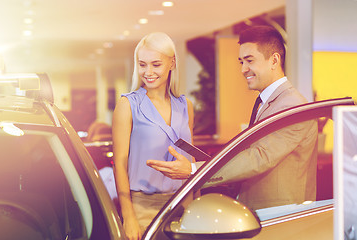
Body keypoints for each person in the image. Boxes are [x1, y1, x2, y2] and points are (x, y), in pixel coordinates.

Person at [147, 25, 318, 210]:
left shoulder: (292, 104)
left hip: (281, 215)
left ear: (274, 60)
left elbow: (259, 157)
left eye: (249, 60)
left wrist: (194, 170)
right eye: (241, 62)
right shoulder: (268, 102)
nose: (244, 69)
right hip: (259, 210)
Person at [112, 32, 194, 239]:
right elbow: (120, 164)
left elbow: (190, 159)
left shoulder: (186, 106)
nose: (148, 72)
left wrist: (195, 202)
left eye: (156, 64)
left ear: (172, 63)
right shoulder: (128, 105)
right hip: (143, 207)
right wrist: (128, 215)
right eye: (142, 64)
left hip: (184, 203)